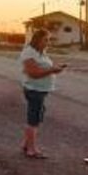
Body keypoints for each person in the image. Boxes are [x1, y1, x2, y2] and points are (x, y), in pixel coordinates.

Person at [18, 29, 67, 158]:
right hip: (34, 89)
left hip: (40, 90)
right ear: (38, 40)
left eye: (49, 40)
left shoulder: (41, 53)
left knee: (38, 115)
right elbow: (33, 73)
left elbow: (43, 67)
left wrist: (55, 68)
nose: (48, 42)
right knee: (33, 119)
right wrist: (52, 70)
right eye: (46, 40)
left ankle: (26, 144)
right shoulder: (29, 53)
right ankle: (31, 149)